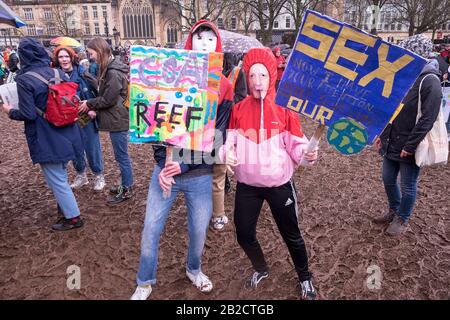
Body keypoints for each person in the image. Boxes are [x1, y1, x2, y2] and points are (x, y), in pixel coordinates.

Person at [130, 20, 233, 300]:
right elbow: (154, 127)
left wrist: (183, 165)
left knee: (199, 232)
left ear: (218, 45)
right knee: (151, 228)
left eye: (211, 39)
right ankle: (144, 281)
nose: (205, 44)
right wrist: (164, 163)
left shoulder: (223, 87)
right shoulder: (168, 75)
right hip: (165, 173)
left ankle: (194, 269)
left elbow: (217, 139)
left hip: (199, 176)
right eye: (199, 38)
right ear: (189, 42)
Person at [221, 47, 318, 300]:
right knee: (243, 234)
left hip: (279, 185)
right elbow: (228, 142)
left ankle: (305, 277)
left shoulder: (285, 109)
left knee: (291, 235)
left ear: (272, 76)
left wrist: (306, 154)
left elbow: (297, 145)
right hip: (247, 186)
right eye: (252, 76)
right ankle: (261, 268)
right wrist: (225, 154)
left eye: (262, 76)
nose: (257, 82)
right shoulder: (238, 109)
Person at [1, 37, 84, 231]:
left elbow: (28, 113)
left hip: (46, 135)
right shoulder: (58, 72)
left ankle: (73, 218)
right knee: (61, 174)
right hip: (68, 130)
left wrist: (10, 111)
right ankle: (65, 211)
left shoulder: (24, 79)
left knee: (56, 179)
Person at [374, 34, 442, 236]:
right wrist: (382, 134)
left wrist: (409, 146)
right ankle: (394, 209)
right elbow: (392, 109)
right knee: (387, 178)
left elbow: (427, 119)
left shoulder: (430, 81)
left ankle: (402, 218)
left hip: (410, 146)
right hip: (392, 141)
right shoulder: (404, 77)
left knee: (408, 185)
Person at [79, 37, 134, 204]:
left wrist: (89, 103)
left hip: (118, 119)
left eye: (92, 53)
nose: (90, 57)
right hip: (115, 117)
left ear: (100, 51)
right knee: (121, 156)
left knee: (122, 156)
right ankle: (126, 183)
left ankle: (127, 188)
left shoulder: (113, 72)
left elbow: (108, 99)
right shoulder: (110, 69)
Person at [53, 46, 105, 191]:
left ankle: (99, 175)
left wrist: (93, 108)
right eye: (61, 57)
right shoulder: (56, 76)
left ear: (72, 58)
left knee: (92, 147)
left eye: (66, 56)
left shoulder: (83, 74)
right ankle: (81, 174)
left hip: (86, 116)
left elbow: (97, 92)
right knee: (75, 147)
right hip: (68, 118)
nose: (64, 60)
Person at [210, 52, 247, 230]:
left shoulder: (237, 73)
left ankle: (217, 213)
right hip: (207, 128)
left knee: (218, 173)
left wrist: (226, 100)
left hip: (224, 125)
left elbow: (241, 97)